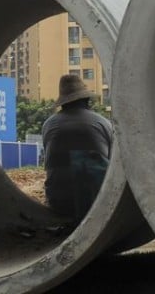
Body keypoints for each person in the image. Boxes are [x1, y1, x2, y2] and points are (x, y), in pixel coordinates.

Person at [40, 74, 113, 223]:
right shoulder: (102, 123)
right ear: (86, 100)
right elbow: (113, 162)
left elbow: (48, 162)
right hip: (96, 201)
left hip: (59, 202)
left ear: (63, 103)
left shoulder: (48, 124)